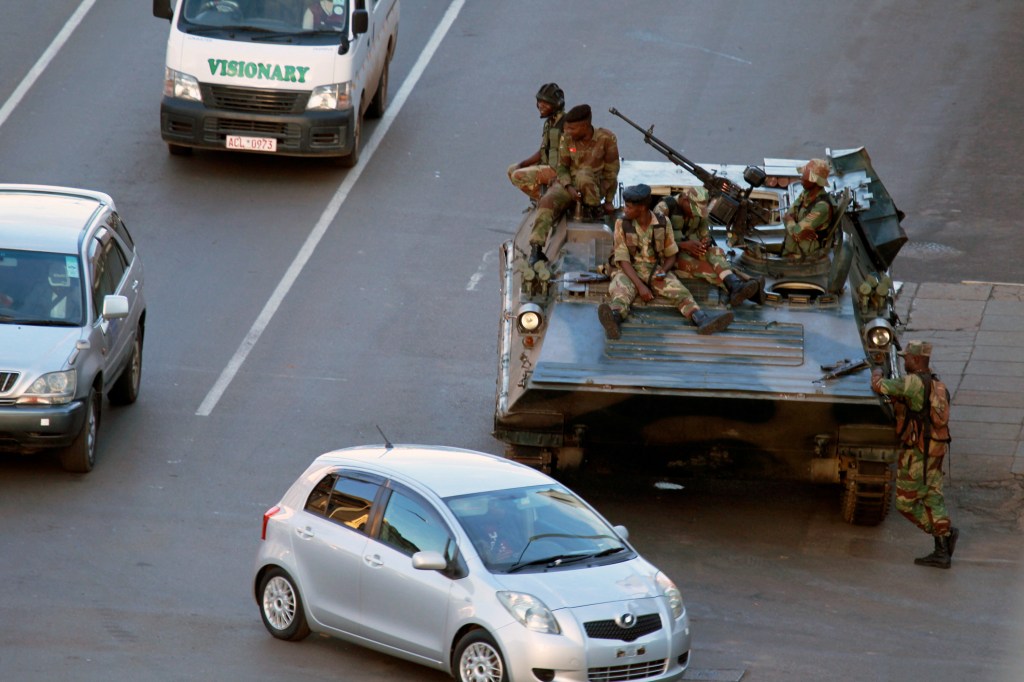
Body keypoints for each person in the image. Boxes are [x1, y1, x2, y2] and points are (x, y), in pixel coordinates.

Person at [597, 184, 733, 339]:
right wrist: (641, 287)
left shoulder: (663, 223)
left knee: (680, 292)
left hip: (654, 268)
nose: (624, 210)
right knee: (620, 292)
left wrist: (665, 270)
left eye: (628, 207)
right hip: (629, 270)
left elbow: (671, 254)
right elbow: (622, 260)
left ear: (641, 208)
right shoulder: (621, 224)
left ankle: (701, 320)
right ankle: (613, 320)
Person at [871, 341, 958, 569]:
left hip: (918, 453)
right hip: (936, 450)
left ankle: (943, 536)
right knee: (933, 497)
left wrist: (876, 370)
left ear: (917, 360)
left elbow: (880, 387)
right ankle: (942, 551)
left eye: (907, 357)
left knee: (905, 503)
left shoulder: (912, 383)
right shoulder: (937, 383)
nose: (904, 360)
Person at [528, 104, 619, 265]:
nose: (568, 132)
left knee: (584, 175)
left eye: (572, 129)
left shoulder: (606, 139)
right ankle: (536, 249)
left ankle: (593, 211)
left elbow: (612, 172)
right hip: (569, 183)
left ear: (585, 126)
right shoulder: (567, 139)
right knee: (547, 201)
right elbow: (562, 167)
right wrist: (568, 186)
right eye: (567, 129)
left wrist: (609, 200)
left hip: (594, 185)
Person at [656, 186, 760, 306]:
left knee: (716, 251)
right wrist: (683, 245)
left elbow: (705, 234)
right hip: (670, 256)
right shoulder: (663, 209)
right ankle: (739, 286)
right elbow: (656, 245)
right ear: (685, 200)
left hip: (692, 249)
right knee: (705, 268)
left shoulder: (700, 213)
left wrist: (705, 242)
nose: (695, 215)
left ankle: (736, 286)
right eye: (694, 210)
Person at [507, 83, 565, 203]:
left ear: (556, 105)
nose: (540, 106)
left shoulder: (567, 124)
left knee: (518, 176)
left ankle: (549, 202)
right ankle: (543, 198)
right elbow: (543, 150)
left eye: (545, 103)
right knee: (512, 170)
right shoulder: (550, 123)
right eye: (539, 102)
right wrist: (523, 164)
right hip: (548, 164)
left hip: (558, 170)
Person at [781, 158, 834, 257]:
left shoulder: (822, 207)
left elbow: (796, 233)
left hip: (803, 256)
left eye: (805, 176)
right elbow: (787, 215)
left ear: (814, 181)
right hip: (792, 249)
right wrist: (792, 223)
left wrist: (790, 221)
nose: (801, 178)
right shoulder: (806, 193)